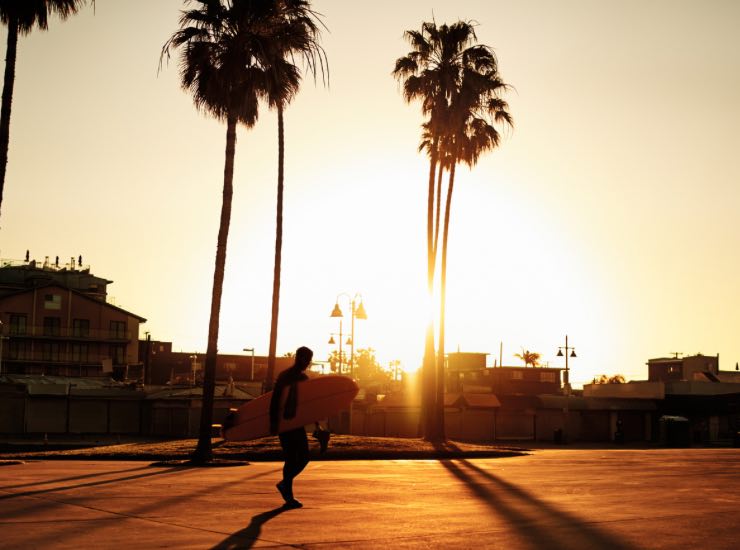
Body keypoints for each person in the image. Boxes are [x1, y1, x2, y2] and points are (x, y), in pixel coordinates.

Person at [269, 346, 329, 508]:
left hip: (297, 423)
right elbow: (275, 400)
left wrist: (317, 424)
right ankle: (288, 494)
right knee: (290, 459)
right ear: (298, 357)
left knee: (303, 457)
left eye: (309, 360)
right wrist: (274, 422)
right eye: (306, 359)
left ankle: (285, 484)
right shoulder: (285, 376)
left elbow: (307, 403)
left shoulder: (303, 378)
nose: (307, 363)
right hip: (285, 423)